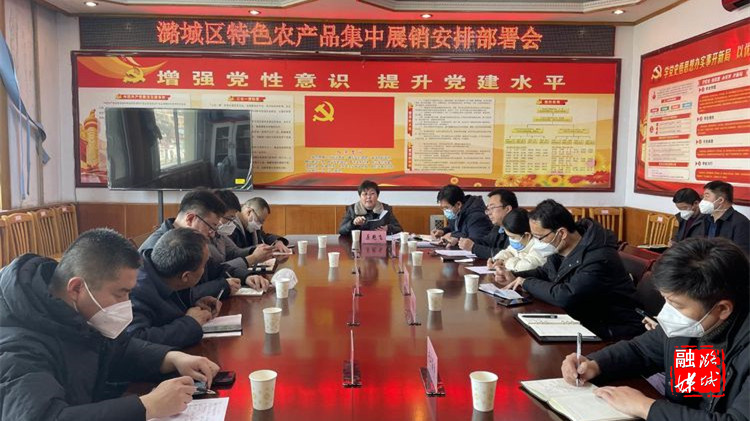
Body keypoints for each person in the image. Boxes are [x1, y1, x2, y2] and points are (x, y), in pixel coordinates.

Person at [0, 228, 220, 420]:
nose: (127, 304)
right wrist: (147, 406)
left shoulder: (70, 310)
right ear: (76, 288)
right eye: (120, 294)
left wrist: (172, 358)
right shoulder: (17, 348)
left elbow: (115, 349)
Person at [560, 238, 749, 421]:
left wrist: (645, 407)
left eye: (676, 305)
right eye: (666, 300)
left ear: (722, 309)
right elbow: (641, 351)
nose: (666, 312)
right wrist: (595, 364)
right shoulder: (695, 325)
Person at [498, 199, 643, 339]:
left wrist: (525, 282)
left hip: (613, 329)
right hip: (582, 318)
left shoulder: (599, 257)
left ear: (561, 233)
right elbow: (545, 272)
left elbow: (567, 295)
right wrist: (514, 276)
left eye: (539, 237)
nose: (537, 243)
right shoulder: (561, 247)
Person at [128, 228, 225, 348]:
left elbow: (167, 306)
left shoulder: (163, 270)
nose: (205, 269)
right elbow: (136, 341)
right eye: (204, 265)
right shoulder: (136, 290)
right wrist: (190, 323)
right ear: (186, 276)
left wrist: (193, 303)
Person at [212, 189, 275, 275]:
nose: (231, 222)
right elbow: (219, 269)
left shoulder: (219, 234)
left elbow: (234, 252)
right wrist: (253, 257)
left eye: (233, 218)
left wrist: (256, 249)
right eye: (229, 218)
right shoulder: (226, 230)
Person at [686, 181, 749, 254]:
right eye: (703, 197)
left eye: (707, 196)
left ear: (720, 200)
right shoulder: (705, 218)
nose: (703, 201)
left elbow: (743, 254)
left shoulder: (741, 223)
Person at [458, 188, 517, 258]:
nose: (488, 213)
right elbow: (487, 242)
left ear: (507, 209)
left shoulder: (517, 227)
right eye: (488, 209)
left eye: (492, 208)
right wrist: (469, 240)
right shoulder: (498, 226)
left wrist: (473, 248)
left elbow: (507, 255)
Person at [339, 180, 403, 236]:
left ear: (377, 195)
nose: (368, 197)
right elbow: (341, 230)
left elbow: (399, 229)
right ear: (360, 196)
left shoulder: (385, 208)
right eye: (365, 194)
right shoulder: (352, 209)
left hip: (379, 244)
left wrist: (388, 228)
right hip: (357, 243)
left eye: (372, 193)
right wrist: (353, 223)